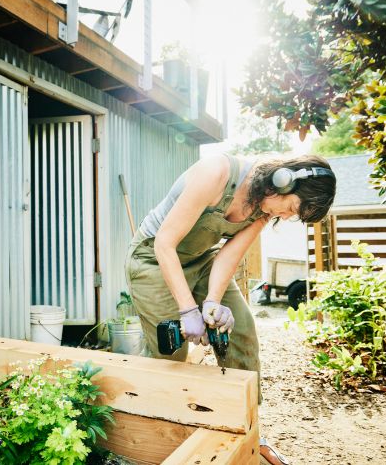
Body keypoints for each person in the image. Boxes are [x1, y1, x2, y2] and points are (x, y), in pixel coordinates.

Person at [125, 152, 336, 465]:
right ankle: (150, 436)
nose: (287, 216)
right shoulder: (217, 172)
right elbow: (164, 244)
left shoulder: (265, 210)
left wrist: (211, 301)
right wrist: (187, 310)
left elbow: (226, 256)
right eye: (291, 208)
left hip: (201, 260)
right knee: (171, 352)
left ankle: (247, 426)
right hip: (153, 261)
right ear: (282, 180)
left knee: (243, 329)